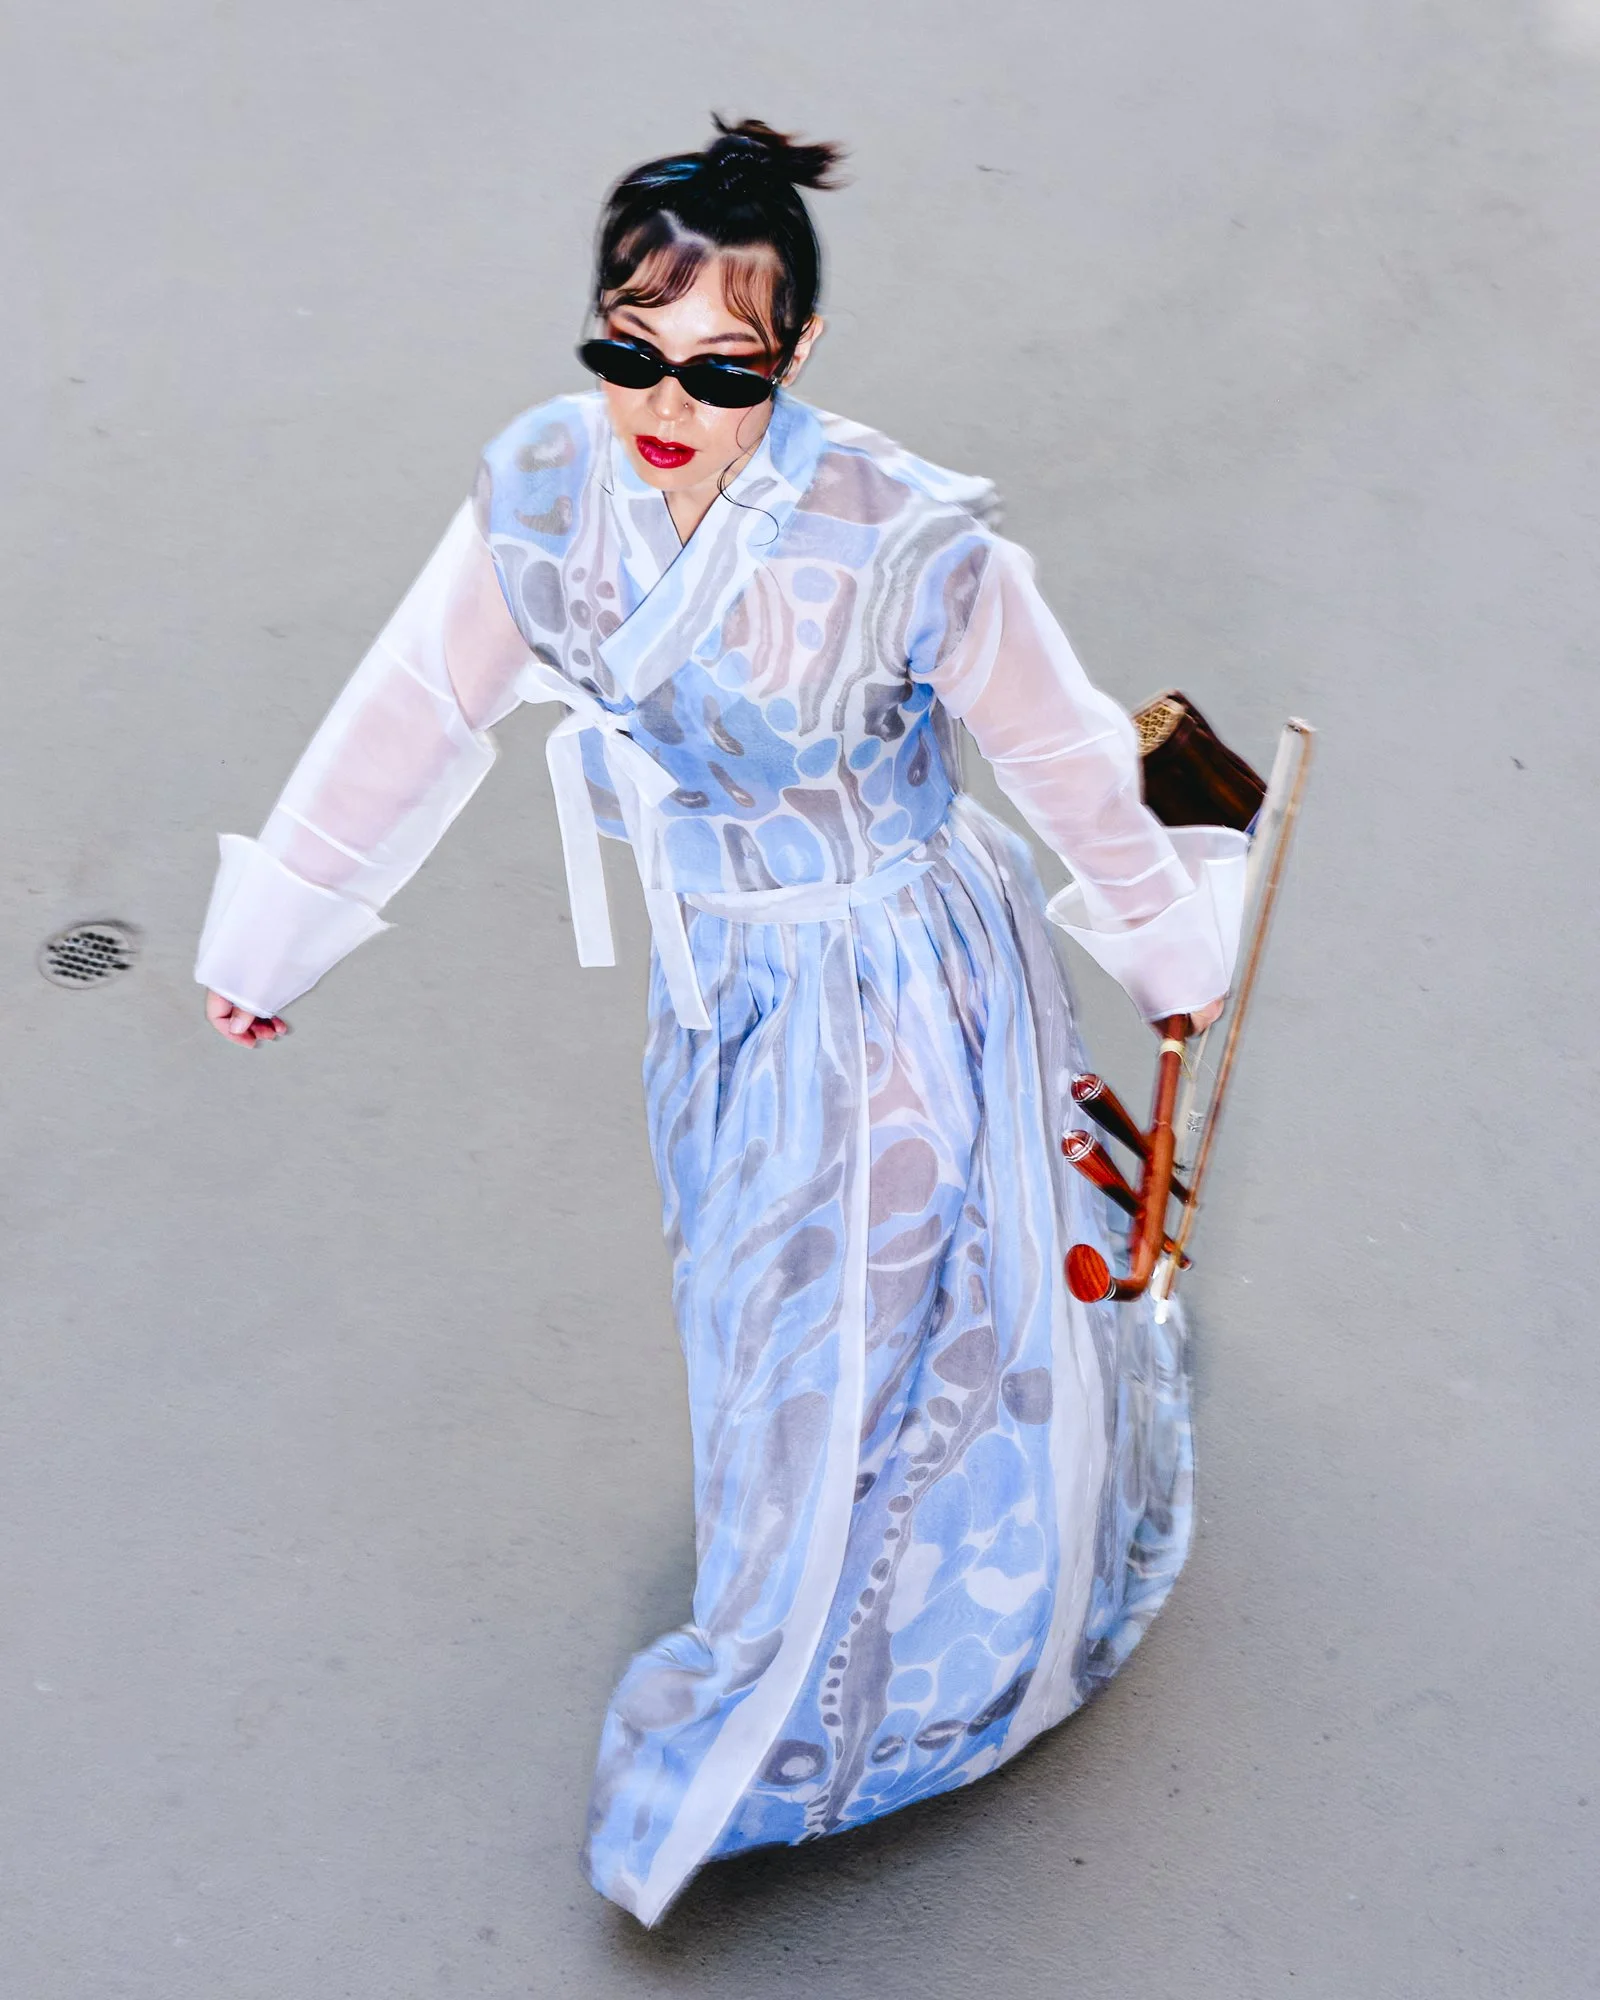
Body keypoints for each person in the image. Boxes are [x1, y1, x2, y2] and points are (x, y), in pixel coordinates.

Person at [196, 116, 1245, 1926]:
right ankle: (842, 1621)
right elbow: (416, 711)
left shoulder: (910, 542)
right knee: (767, 1315)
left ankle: (778, 1707)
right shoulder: (540, 494)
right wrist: (281, 929)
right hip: (732, 991)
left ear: (801, 358)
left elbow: (1068, 759)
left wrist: (1165, 937)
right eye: (626, 350)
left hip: (905, 969)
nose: (662, 403)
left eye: (721, 371)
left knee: (888, 1317)